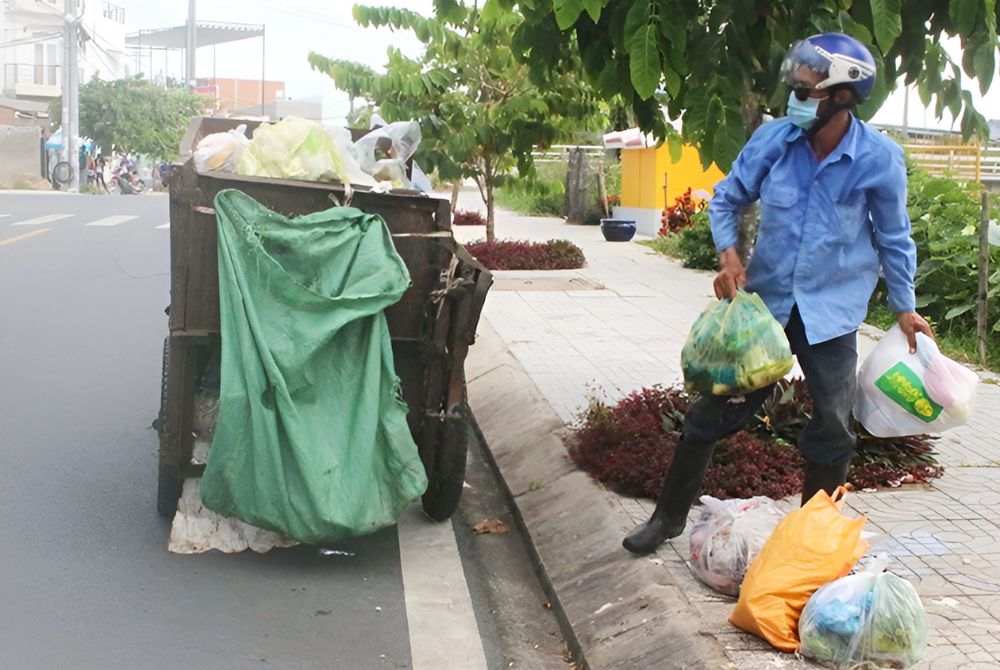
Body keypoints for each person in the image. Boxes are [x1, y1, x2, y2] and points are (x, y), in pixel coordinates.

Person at [623, 33, 934, 555]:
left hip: (831, 316)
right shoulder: (773, 141)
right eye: (795, 87)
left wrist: (904, 308)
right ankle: (666, 519)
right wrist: (728, 257)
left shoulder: (879, 159)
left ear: (843, 97)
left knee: (834, 428)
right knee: (711, 412)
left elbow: (893, 237)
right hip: (763, 312)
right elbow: (726, 200)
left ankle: (810, 548)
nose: (795, 98)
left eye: (807, 91)